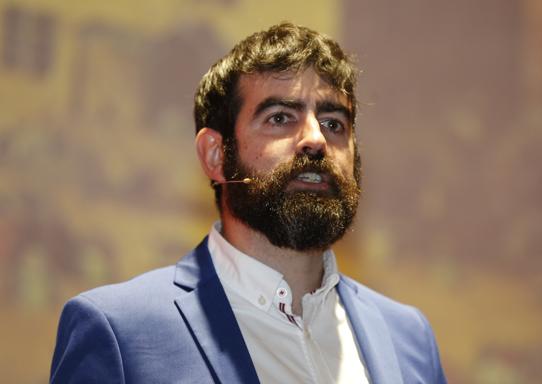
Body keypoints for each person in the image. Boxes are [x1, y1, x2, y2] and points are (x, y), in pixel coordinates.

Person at [50, 22, 447, 384]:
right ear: (216, 156)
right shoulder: (119, 333)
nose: (316, 140)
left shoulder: (408, 338)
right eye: (279, 118)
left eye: (334, 124)